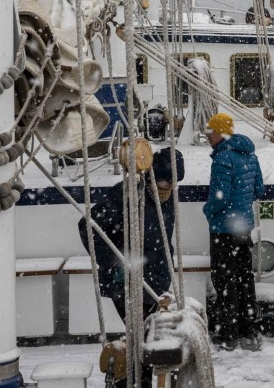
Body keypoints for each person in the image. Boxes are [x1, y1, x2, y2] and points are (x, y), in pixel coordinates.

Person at [79, 145, 185, 384]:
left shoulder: (166, 199)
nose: (168, 187)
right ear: (152, 176)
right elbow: (88, 228)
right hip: (126, 282)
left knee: (151, 337)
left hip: (156, 282)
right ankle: (134, 379)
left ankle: (136, 378)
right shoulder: (126, 195)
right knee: (144, 338)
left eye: (173, 182)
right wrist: (115, 264)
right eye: (164, 181)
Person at [202, 112, 264, 347]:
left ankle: (228, 333)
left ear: (221, 132)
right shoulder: (250, 155)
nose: (208, 137)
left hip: (223, 229)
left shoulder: (222, 159)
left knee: (224, 280)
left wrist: (208, 210)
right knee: (244, 278)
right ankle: (249, 328)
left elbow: (220, 197)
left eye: (211, 132)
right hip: (243, 228)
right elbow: (259, 189)